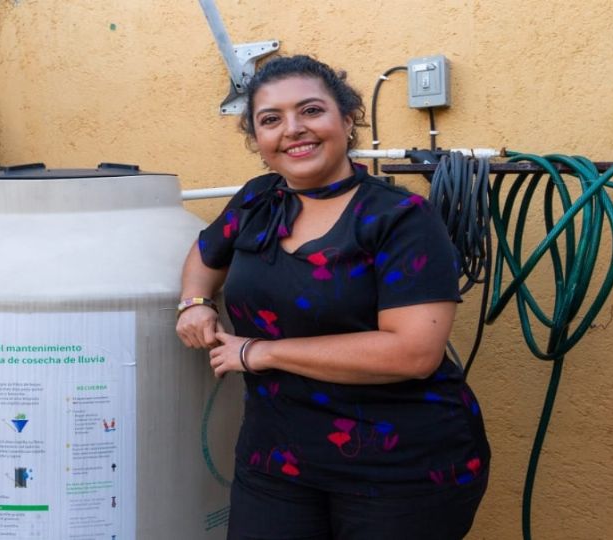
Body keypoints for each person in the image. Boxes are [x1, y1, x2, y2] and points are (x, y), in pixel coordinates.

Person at [176, 55, 490, 539]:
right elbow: (205, 253)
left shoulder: (402, 218)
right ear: (258, 140)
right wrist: (193, 302)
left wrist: (259, 352)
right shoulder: (256, 200)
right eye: (271, 119)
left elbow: (413, 352)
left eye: (311, 111)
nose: (293, 130)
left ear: (347, 119)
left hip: (400, 469)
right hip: (276, 459)